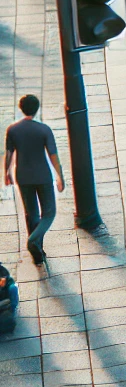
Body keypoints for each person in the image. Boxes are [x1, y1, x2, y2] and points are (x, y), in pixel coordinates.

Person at [5, 93, 64, 264]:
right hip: (43, 176)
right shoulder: (44, 129)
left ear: (21, 108)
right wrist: (60, 176)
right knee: (49, 213)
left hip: (22, 176)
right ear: (37, 109)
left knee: (31, 214)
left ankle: (37, 253)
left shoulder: (13, 130)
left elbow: (8, 153)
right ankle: (33, 241)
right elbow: (53, 155)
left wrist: (6, 173)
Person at [0, 259, 18, 334]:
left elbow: (5, 282)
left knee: (13, 288)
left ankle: (12, 310)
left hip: (3, 298)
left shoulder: (2, 272)